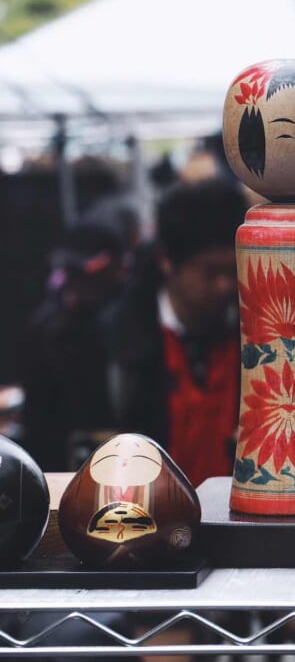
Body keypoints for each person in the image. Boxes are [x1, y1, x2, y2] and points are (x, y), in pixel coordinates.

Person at [104, 177, 246, 487]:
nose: (224, 285)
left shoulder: (251, 333)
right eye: (210, 272)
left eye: (232, 271)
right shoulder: (117, 344)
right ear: (167, 262)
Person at [22, 221, 128, 471]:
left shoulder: (131, 324)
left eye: (89, 276)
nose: (80, 285)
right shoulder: (47, 327)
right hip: (59, 463)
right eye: (74, 275)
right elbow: (37, 421)